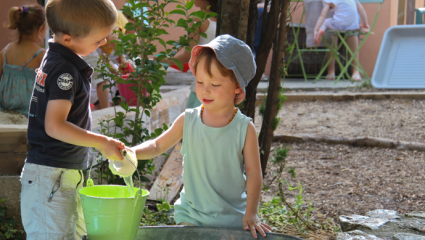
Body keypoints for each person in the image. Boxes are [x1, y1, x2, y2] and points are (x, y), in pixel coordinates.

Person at [131, 35, 272, 239]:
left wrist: (251, 213)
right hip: (192, 215)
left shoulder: (244, 128)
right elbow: (156, 146)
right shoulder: (188, 120)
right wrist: (130, 152)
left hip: (233, 217)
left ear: (237, 87)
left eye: (214, 84)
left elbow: (254, 175)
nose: (205, 89)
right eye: (199, 81)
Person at [21, 0, 126, 239]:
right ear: (68, 39)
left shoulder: (59, 59)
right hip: (51, 177)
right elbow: (55, 125)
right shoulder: (64, 70)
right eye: (98, 39)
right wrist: (101, 141)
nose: (104, 43)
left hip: (62, 173)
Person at [165, 0, 217, 108]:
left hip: (202, 84)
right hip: (220, 85)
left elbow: (187, 56)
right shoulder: (222, 20)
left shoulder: (197, 20)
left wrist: (161, 61)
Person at [0, 4, 46, 116]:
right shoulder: (42, 55)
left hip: (5, 114)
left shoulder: (4, 52)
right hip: (31, 116)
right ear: (40, 30)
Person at [313, 0, 369, 81]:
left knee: (327, 24)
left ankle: (353, 71)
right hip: (353, 24)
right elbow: (362, 10)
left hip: (336, 21)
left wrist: (316, 29)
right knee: (348, 28)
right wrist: (365, 24)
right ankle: (331, 70)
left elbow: (322, 15)